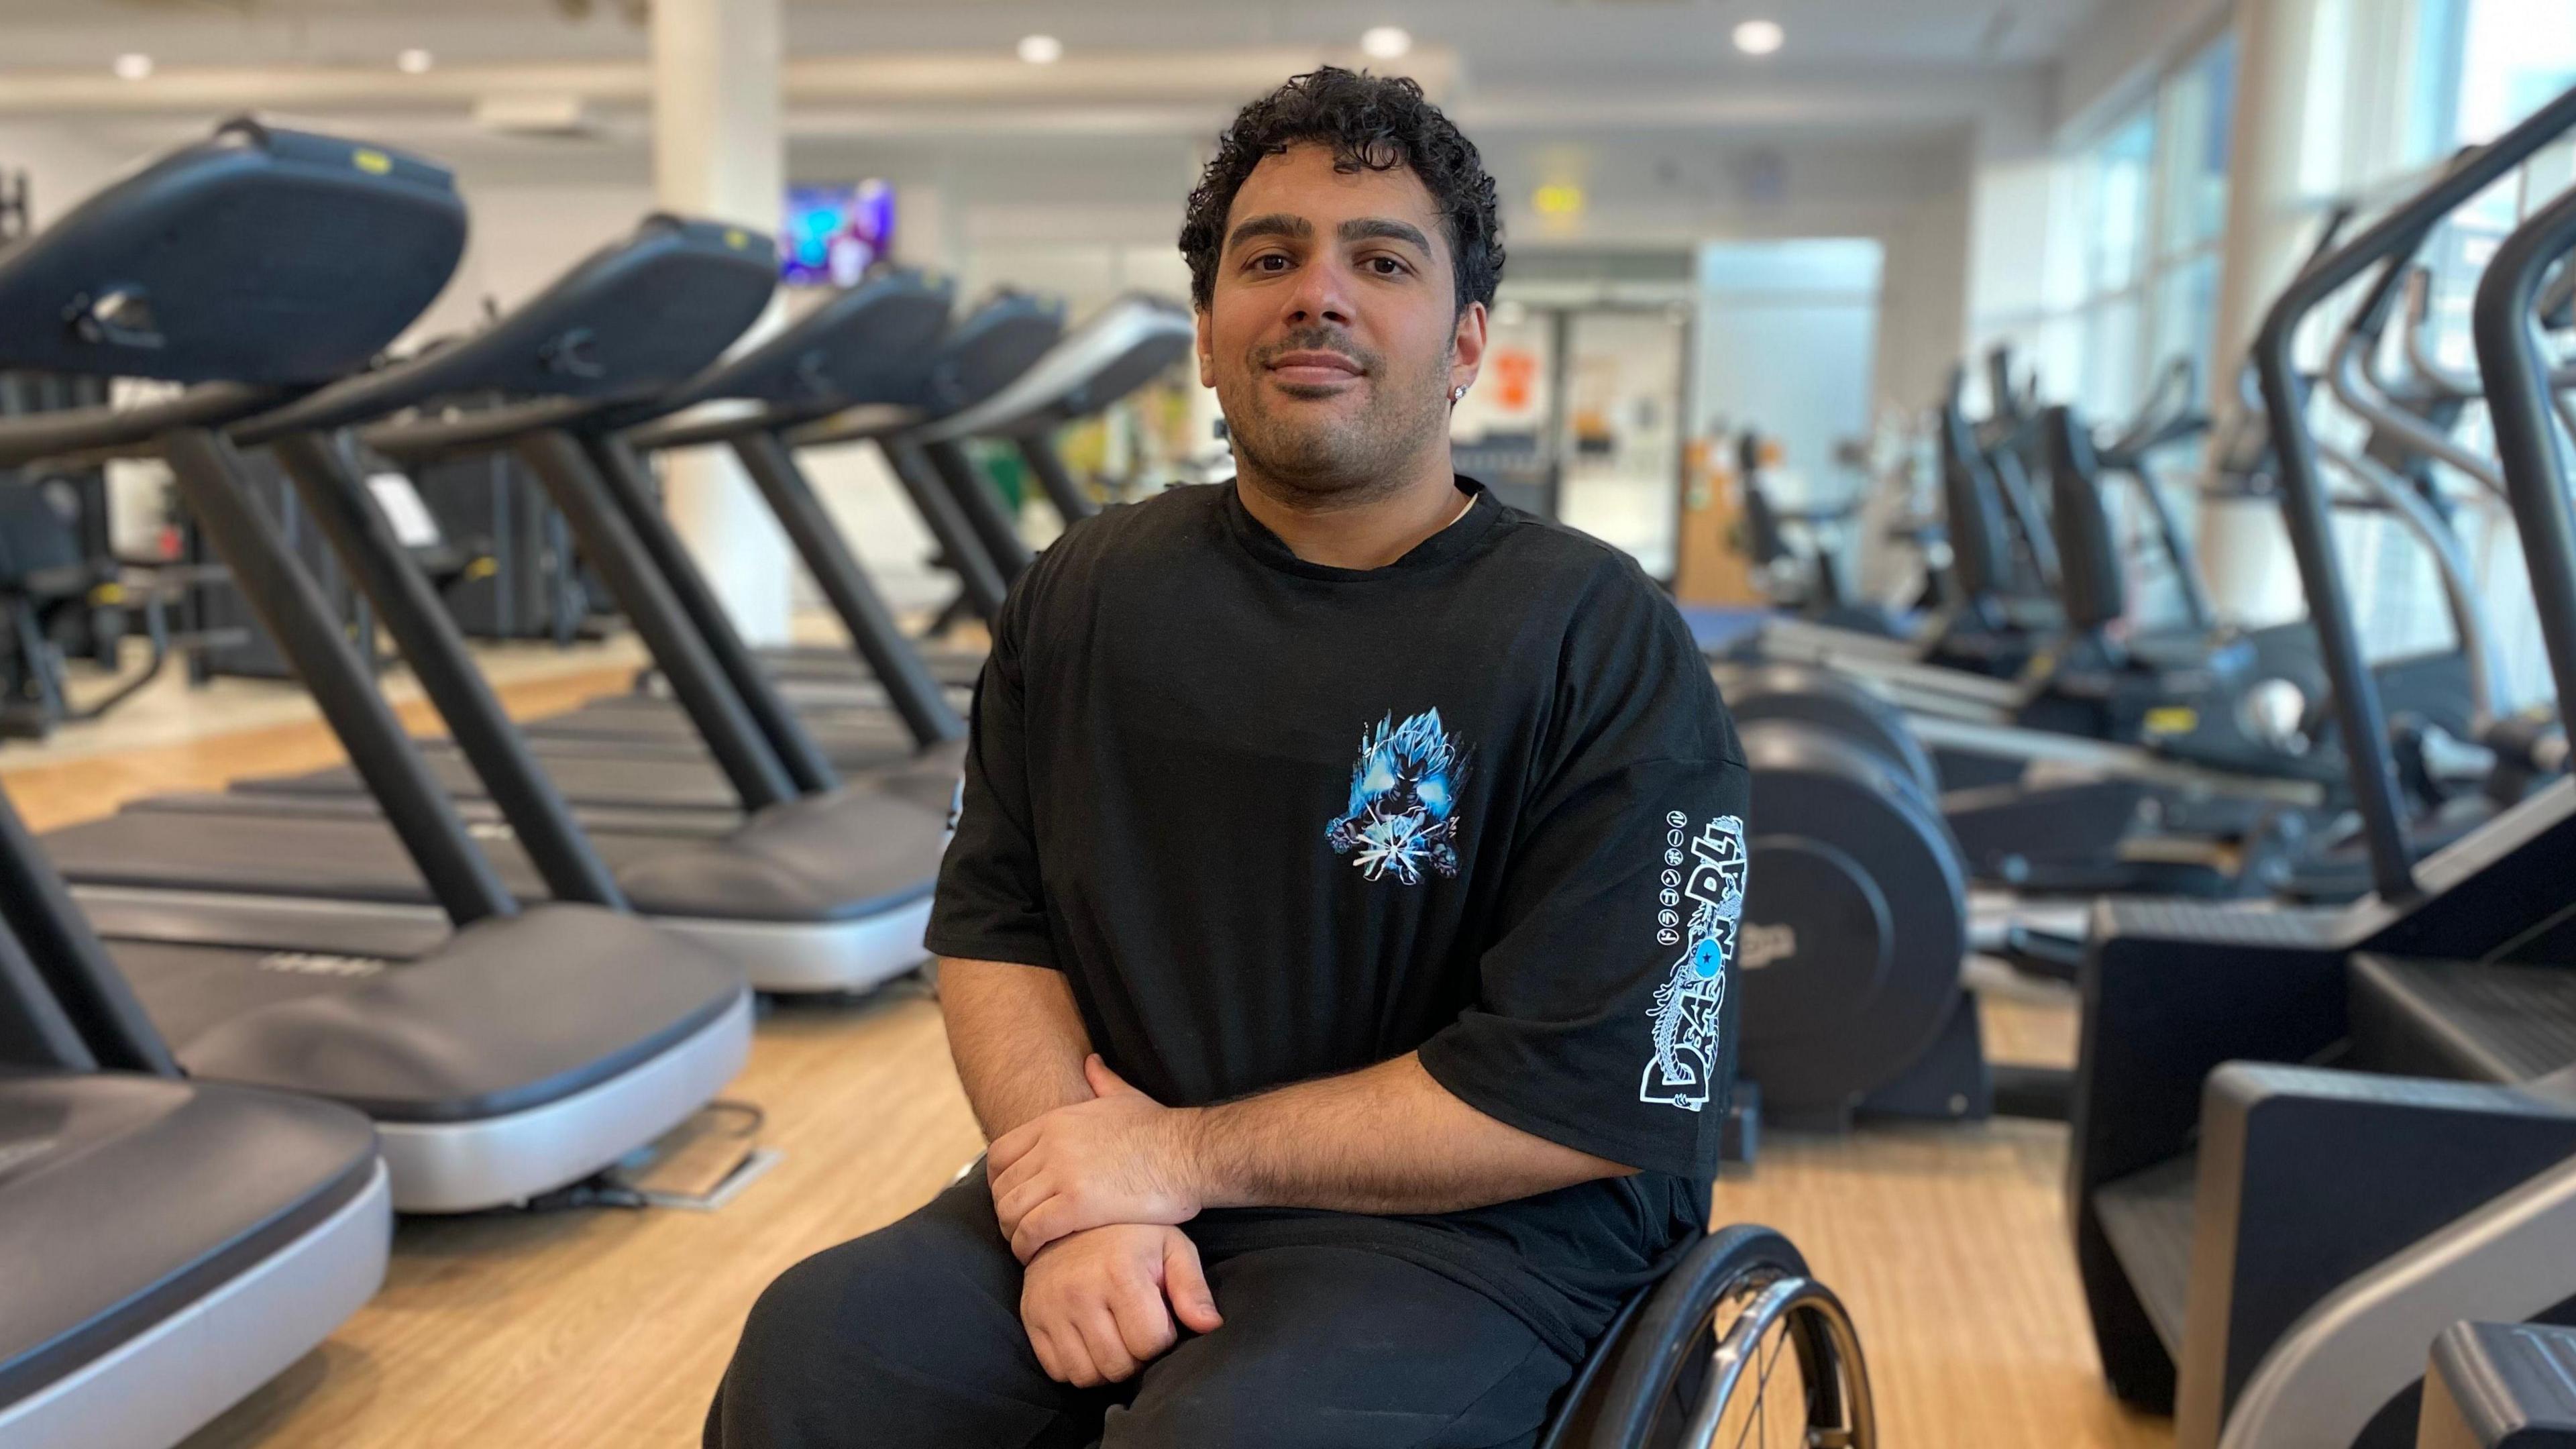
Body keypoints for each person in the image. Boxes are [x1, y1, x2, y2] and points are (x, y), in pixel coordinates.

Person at [704, 66, 1750, 1449]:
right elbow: (997, 929)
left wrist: (1172, 1160)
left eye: (1382, 259)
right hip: (1125, 1180)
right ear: (1208, 332)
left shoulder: (1599, 641)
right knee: (822, 1357)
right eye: (1271, 258)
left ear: (1465, 343)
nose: (1319, 291)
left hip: (1481, 1239)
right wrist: (1078, 1208)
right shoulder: (1086, 594)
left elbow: (1595, 1084)